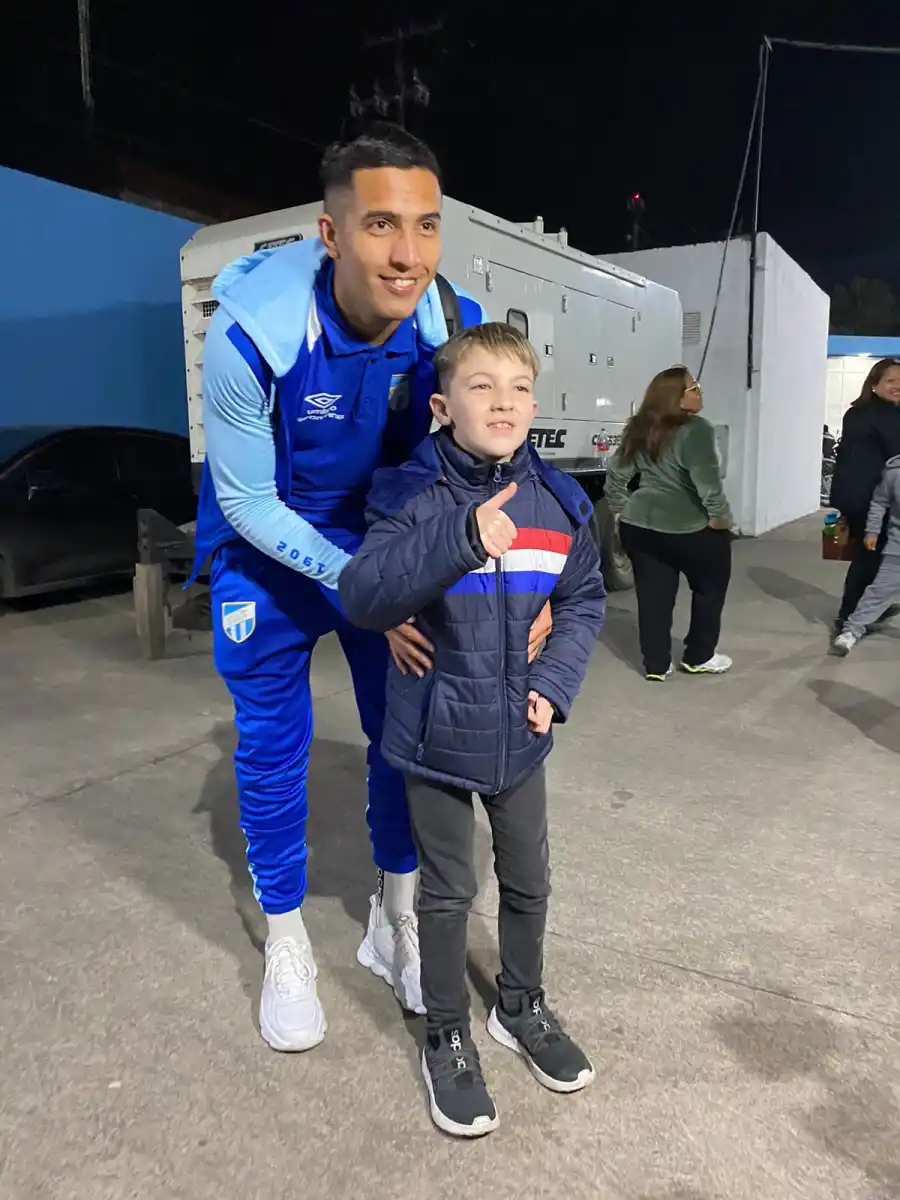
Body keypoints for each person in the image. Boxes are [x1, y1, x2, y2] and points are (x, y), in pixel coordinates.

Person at [189, 124, 553, 1053]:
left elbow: (493, 453)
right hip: (270, 548)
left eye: (426, 226)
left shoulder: (451, 316)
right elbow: (247, 499)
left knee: (406, 737)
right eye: (381, 224)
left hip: (385, 537)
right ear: (331, 233)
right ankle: (285, 939)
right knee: (273, 747)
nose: (407, 254)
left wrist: (534, 580)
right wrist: (363, 586)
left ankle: (393, 921)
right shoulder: (251, 333)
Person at [339, 323, 606, 1137]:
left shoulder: (559, 502)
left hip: (521, 736)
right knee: (448, 893)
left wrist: (554, 684)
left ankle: (520, 1005)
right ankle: (446, 1033)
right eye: (481, 386)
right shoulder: (408, 493)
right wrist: (459, 537)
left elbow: (584, 598)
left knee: (529, 881)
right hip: (435, 737)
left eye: (519, 388)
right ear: (441, 406)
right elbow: (364, 594)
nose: (503, 403)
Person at [605, 366, 733, 681]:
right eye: (694, 387)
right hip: (686, 527)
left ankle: (657, 664)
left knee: (653, 596)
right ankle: (699, 656)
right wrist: (720, 519)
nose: (700, 391)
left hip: (639, 526)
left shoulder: (640, 428)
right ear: (676, 396)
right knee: (710, 587)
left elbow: (616, 474)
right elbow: (708, 482)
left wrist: (620, 509)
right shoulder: (697, 430)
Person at [829, 357, 900, 631]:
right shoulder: (886, 415)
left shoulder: (855, 412)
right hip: (871, 499)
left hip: (853, 496)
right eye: (890, 381)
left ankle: (867, 610)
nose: (897, 386)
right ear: (874, 384)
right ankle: (849, 616)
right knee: (870, 558)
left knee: (871, 556)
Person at [833, 453, 900, 654]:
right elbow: (879, 502)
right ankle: (850, 631)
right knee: (878, 592)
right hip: (898, 547)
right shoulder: (894, 472)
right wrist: (872, 531)